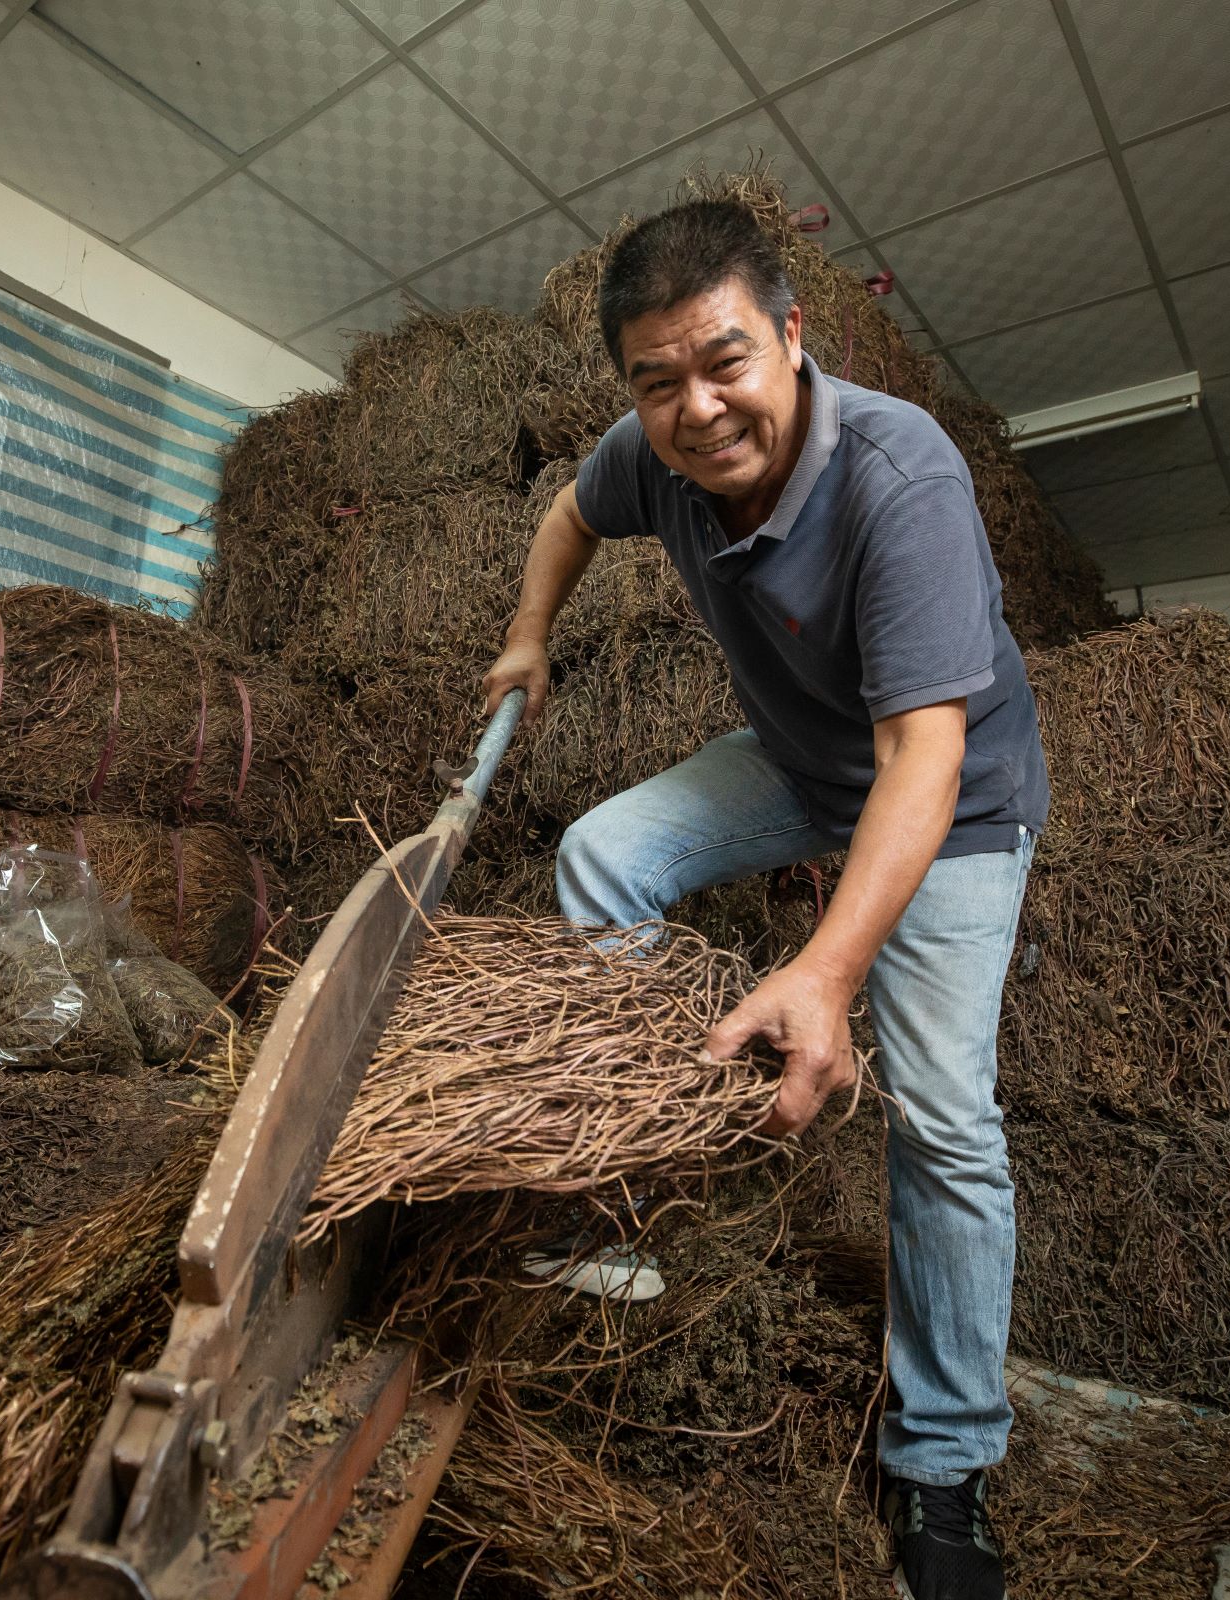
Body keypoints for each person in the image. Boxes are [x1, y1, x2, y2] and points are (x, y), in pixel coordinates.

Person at [481, 199, 1045, 1600]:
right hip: (802, 755)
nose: (697, 406)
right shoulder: (653, 452)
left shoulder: (899, 475)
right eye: (657, 379)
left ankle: (946, 1465)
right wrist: (528, 636)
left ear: (794, 336)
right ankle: (633, 1195)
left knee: (945, 1116)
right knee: (604, 857)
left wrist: (825, 973)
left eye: (726, 360)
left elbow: (926, 750)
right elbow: (567, 508)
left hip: (950, 798)